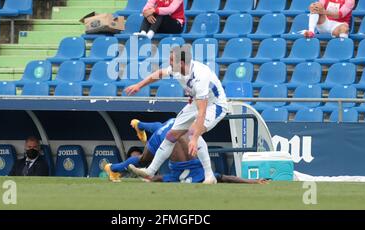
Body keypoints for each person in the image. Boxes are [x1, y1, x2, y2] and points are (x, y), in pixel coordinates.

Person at [124, 46, 228, 184]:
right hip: (196, 103)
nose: (170, 63)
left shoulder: (200, 76)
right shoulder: (177, 69)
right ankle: (150, 171)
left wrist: (195, 138)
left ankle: (209, 176)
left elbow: (202, 111)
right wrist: (139, 85)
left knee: (192, 132)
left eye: (172, 60)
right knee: (171, 135)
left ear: (182, 63)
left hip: (214, 105)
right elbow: (159, 73)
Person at [105, 119, 268, 184]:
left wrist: (149, 178)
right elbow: (227, 178)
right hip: (174, 135)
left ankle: (139, 125)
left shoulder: (176, 178)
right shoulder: (203, 176)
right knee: (143, 160)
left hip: (165, 135)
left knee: (162, 130)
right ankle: (139, 126)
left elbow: (159, 178)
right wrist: (252, 182)